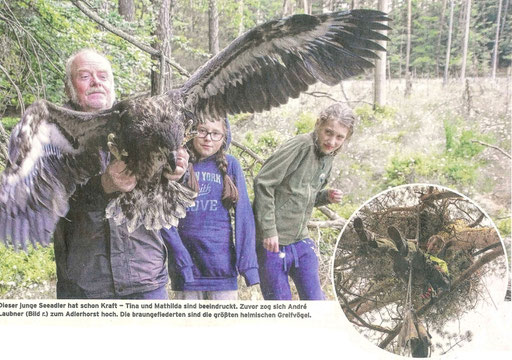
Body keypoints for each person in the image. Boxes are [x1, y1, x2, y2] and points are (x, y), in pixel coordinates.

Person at [54, 48, 189, 299]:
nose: (96, 82)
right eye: (85, 76)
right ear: (69, 87)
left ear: (113, 84)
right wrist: (102, 186)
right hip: (86, 286)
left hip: (145, 280)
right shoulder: (52, 134)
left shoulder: (145, 122)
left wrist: (179, 172)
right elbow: (46, 204)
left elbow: (188, 186)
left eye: (103, 76)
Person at [253, 103, 354, 300]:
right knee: (281, 310)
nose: (332, 141)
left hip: (300, 240)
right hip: (273, 242)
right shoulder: (300, 146)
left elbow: (299, 196)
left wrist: (326, 196)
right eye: (328, 132)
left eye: (339, 137)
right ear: (318, 124)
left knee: (316, 303)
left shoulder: (328, 156)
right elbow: (263, 183)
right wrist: (268, 231)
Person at [160, 118, 259, 300]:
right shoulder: (177, 165)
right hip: (186, 272)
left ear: (224, 137)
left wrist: (249, 267)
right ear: (190, 133)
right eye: (202, 131)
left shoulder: (230, 165)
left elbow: (244, 217)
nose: (208, 138)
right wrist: (181, 260)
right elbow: (163, 216)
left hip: (222, 270)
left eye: (215, 133)